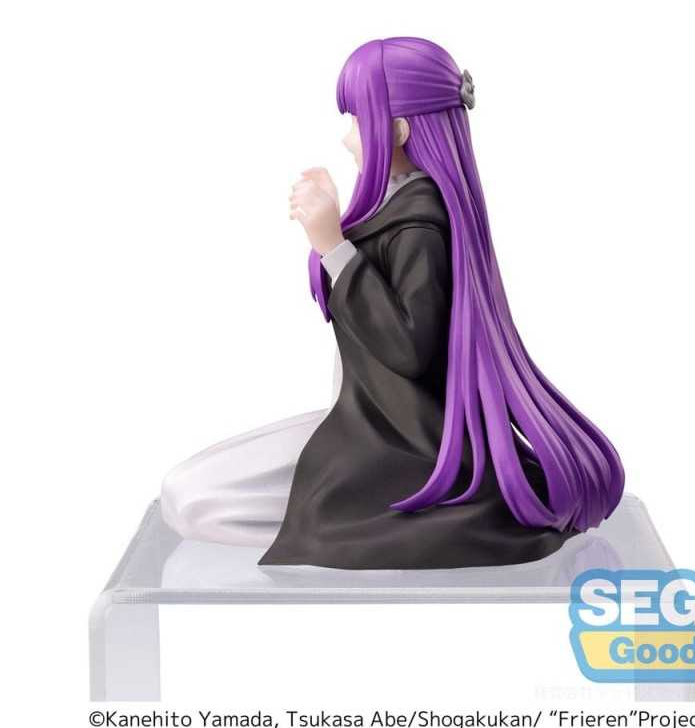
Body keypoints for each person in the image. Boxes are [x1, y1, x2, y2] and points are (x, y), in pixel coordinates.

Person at [161, 37, 625, 569]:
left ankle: (328, 533)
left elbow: (408, 347)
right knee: (184, 494)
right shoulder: (402, 206)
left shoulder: (419, 224)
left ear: (398, 130)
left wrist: (332, 245)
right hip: (366, 418)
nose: (347, 139)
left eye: (358, 122)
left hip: (398, 441)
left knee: (193, 502)